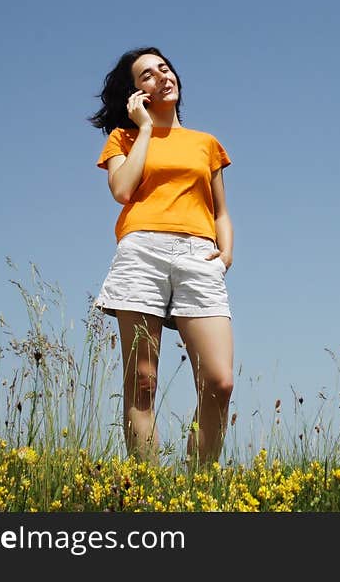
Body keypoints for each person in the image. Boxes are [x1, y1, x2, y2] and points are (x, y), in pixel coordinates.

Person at [88, 46, 234, 467]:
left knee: (219, 383)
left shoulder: (206, 144)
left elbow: (221, 211)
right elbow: (123, 191)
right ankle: (150, 495)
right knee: (143, 382)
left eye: (164, 68)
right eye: (147, 75)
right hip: (142, 252)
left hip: (199, 256)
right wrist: (146, 129)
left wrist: (224, 255)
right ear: (136, 94)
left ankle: (199, 485)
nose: (161, 76)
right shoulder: (125, 138)